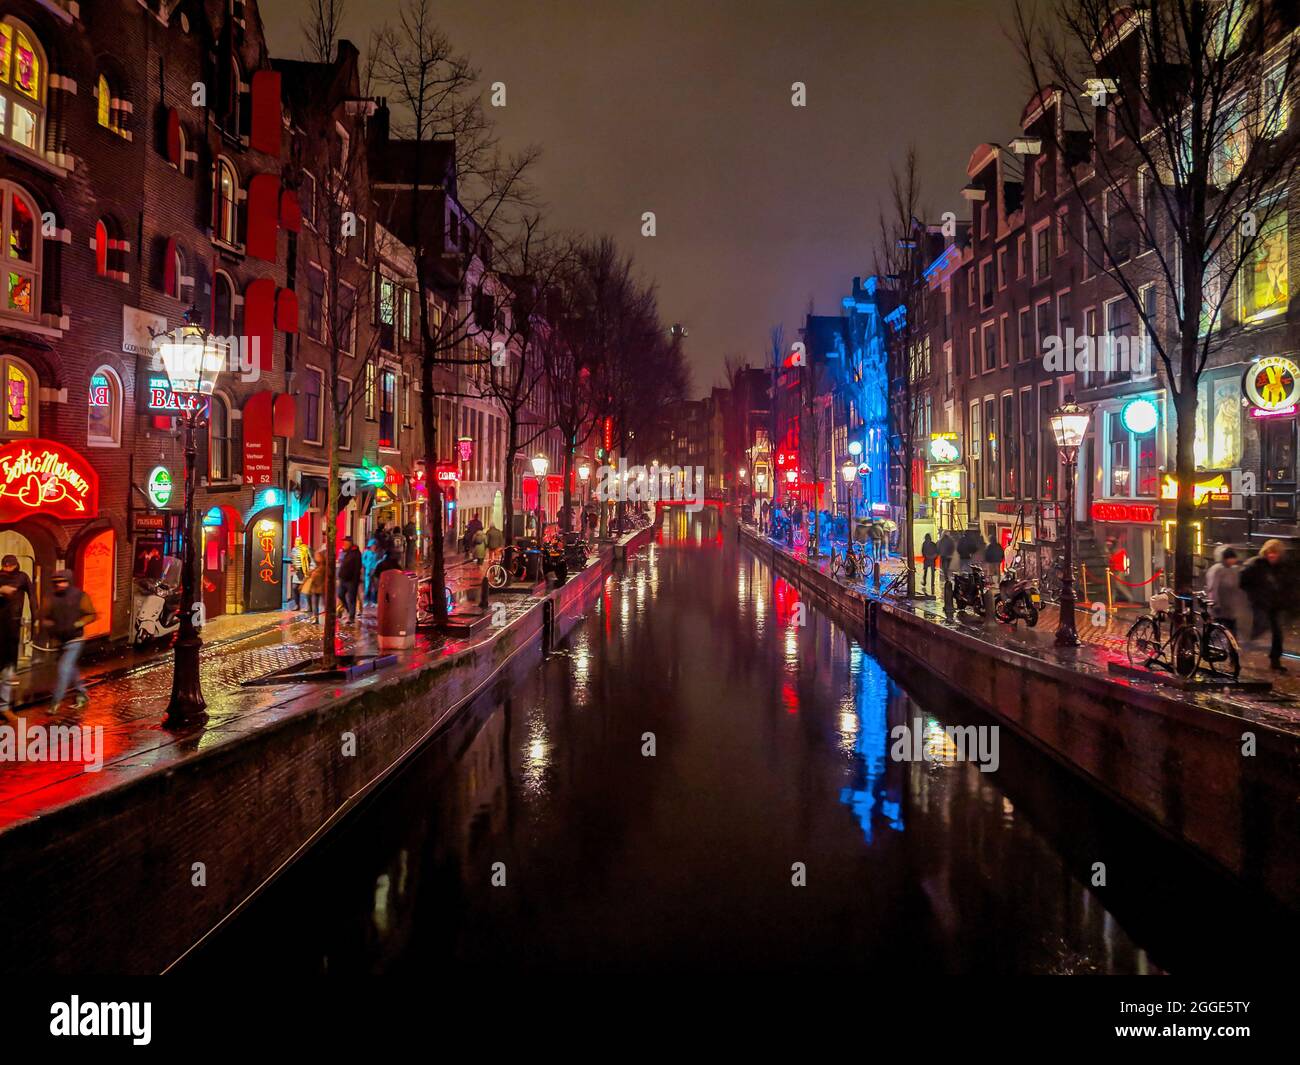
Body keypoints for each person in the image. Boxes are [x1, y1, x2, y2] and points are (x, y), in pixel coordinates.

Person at [39, 570, 96, 713]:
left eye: (63, 581)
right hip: (60, 640)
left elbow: (91, 614)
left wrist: (77, 624)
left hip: (75, 639)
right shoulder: (50, 598)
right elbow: (43, 616)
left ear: (69, 581)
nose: (60, 584)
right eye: (57, 582)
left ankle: (55, 703)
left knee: (64, 669)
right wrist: (47, 624)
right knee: (70, 668)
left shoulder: (80, 596)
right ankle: (82, 693)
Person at [1240, 539, 1288, 671]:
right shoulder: (1256, 564)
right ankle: (1239, 649)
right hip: (1259, 602)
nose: (1272, 555)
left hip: (1274, 603)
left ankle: (1275, 660)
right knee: (1258, 628)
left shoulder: (1280, 566)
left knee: (1277, 632)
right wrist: (1252, 595)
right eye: (1270, 552)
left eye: (1275, 553)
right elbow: (1242, 580)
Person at [0, 555, 34, 722]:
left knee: (8, 669)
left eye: (10, 566)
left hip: (12, 628)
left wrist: (36, 620)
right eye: (5, 566)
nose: (7, 568)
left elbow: (33, 597)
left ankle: (4, 708)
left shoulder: (22, 577)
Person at [1204, 546, 1247, 636]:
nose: (1232, 561)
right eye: (1230, 558)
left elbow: (1238, 587)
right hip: (1219, 605)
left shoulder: (1234, 569)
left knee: (1231, 630)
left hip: (1230, 607)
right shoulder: (1217, 570)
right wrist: (1215, 603)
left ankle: (1230, 648)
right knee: (1215, 628)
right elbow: (1213, 587)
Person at [337, 538, 362, 623]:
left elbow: (357, 568)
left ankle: (351, 617)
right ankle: (348, 610)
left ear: (350, 543)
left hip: (351, 580)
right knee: (340, 594)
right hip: (343, 579)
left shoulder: (356, 553)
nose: (344, 544)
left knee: (352, 598)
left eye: (346, 542)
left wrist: (355, 580)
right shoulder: (345, 552)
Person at [301, 548, 325, 621]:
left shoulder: (323, 567)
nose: (316, 558)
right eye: (315, 556)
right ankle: (315, 617)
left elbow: (318, 576)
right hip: (315, 587)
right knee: (315, 603)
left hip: (321, 587)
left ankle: (319, 617)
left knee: (323, 603)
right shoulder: (316, 567)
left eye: (318, 556)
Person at [292, 536, 311, 609]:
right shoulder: (294, 550)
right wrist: (294, 566)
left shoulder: (305, 549)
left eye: (299, 540)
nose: (298, 541)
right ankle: (297, 605)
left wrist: (309, 570)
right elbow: (293, 559)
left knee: (306, 589)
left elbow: (309, 559)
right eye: (296, 540)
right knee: (295, 588)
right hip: (297, 572)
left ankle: (309, 606)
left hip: (304, 571)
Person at [362, 538, 382, 608]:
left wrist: (377, 564)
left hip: (374, 571)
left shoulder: (377, 553)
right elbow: (363, 560)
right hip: (368, 571)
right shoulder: (366, 552)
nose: (374, 547)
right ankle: (366, 601)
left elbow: (379, 561)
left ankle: (374, 601)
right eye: (372, 545)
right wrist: (366, 564)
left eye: (374, 545)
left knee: (375, 587)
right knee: (367, 587)